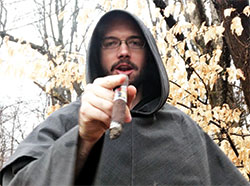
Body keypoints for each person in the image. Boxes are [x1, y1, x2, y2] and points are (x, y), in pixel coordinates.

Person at [0, 9, 249, 186]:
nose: (123, 51)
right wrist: (82, 140)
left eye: (134, 42)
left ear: (148, 54)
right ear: (97, 55)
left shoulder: (182, 128)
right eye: (111, 43)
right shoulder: (66, 121)